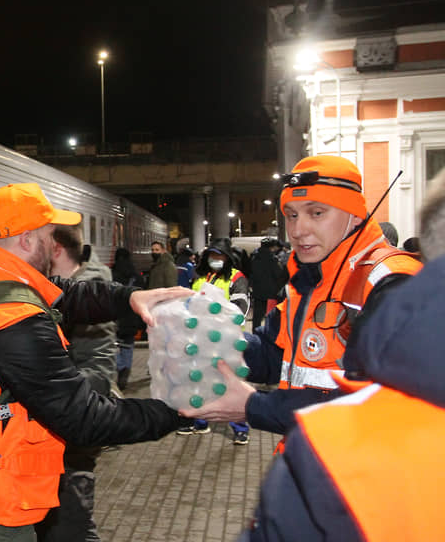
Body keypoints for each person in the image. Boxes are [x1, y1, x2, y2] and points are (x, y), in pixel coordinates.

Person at [0, 183, 192, 541]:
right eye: (49, 233)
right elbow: (84, 418)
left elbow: (61, 294)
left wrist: (130, 298)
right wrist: (179, 410)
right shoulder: (13, 321)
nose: (54, 244)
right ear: (26, 239)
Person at [180, 155, 422, 438]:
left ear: (355, 215)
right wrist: (216, 341)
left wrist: (254, 406)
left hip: (369, 475)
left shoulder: (393, 282)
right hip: (314, 464)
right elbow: (273, 354)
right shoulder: (309, 281)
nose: (298, 230)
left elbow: (385, 403)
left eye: (316, 212)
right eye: (291, 215)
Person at [35, 225, 118, 542]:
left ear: (54, 249)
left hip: (72, 437)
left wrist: (42, 390)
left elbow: (98, 372)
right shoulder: (66, 291)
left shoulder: (86, 296)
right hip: (59, 434)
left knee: (71, 526)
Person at [180, 238, 251, 444]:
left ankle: (240, 427)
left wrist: (215, 313)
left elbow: (241, 307)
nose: (216, 260)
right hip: (203, 336)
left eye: (220, 256)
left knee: (231, 384)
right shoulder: (202, 277)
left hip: (229, 339)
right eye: (213, 256)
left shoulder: (237, 278)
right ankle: (201, 422)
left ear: (228, 258)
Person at [111, 247, 145, 391]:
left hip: (116, 316)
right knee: (128, 345)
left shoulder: (112, 274)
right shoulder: (136, 276)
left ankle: (120, 367)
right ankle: (126, 368)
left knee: (115, 345)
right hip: (131, 316)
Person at [249, 238, 288, 330]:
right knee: (271, 314)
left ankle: (256, 331)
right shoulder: (272, 259)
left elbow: (251, 273)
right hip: (271, 291)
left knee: (257, 315)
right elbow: (278, 274)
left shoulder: (255, 257)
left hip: (258, 290)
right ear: (272, 247)